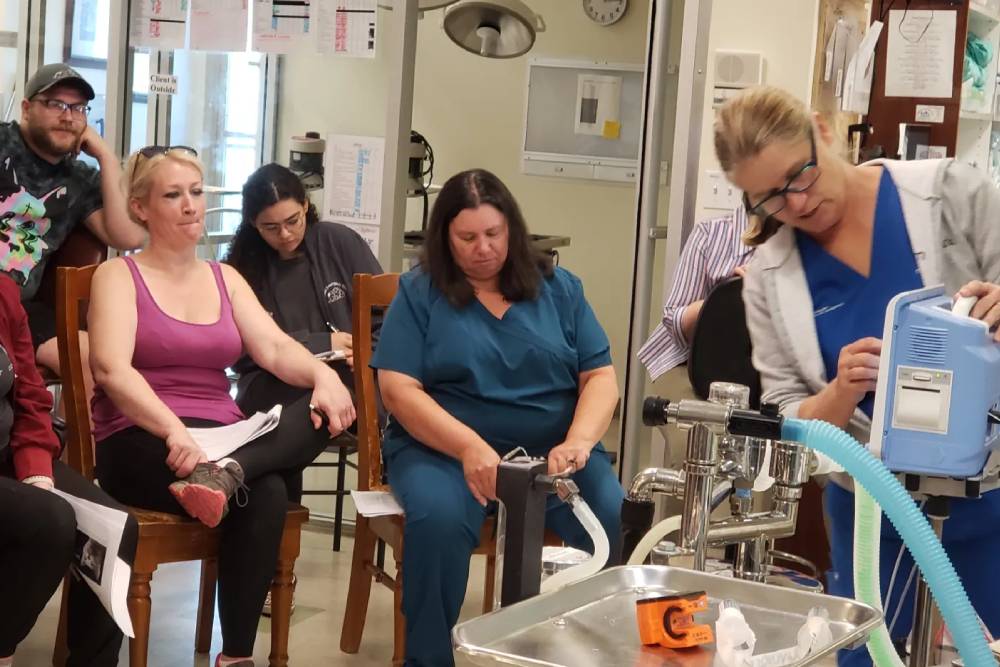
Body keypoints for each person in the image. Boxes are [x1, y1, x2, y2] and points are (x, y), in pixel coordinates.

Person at [715, 85, 1000, 666]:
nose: (795, 205)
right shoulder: (770, 277)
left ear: (822, 131)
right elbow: (786, 414)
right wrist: (839, 392)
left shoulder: (950, 194)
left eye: (801, 176)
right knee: (866, 655)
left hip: (990, 491)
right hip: (872, 506)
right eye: (768, 198)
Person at [87, 146, 356, 667]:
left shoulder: (224, 278)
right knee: (269, 490)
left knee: (323, 410)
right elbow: (111, 371)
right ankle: (238, 652)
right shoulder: (118, 277)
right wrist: (174, 432)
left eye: (196, 192)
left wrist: (324, 373)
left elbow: (276, 350)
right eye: (173, 195)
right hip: (140, 435)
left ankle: (234, 657)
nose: (190, 205)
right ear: (141, 207)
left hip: (221, 440)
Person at [372, 168, 626, 667]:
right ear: (445, 237)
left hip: (555, 457)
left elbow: (600, 378)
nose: (482, 248)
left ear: (512, 229)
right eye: (467, 237)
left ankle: (600, 653)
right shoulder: (420, 292)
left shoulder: (561, 289)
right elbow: (398, 390)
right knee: (439, 522)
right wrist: (468, 448)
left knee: (617, 520)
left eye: (494, 234)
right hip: (443, 452)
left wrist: (578, 441)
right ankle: (428, 659)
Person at [0, 272, 137, 666]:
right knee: (49, 520)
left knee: (114, 527)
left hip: (9, 456)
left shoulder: (4, 292)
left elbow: (29, 395)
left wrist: (37, 473)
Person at [225, 162, 383, 476]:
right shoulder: (240, 269)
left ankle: (238, 473)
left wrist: (369, 351)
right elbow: (240, 352)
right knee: (303, 407)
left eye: (292, 221)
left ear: (306, 207)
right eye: (270, 227)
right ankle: (256, 490)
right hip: (273, 384)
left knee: (328, 398)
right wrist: (322, 344)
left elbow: (386, 317)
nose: (284, 234)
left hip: (349, 379)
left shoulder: (337, 242)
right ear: (253, 225)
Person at [0, 63, 146, 383]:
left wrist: (106, 157)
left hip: (19, 310)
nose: (68, 117)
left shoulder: (79, 180)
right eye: (56, 104)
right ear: (26, 109)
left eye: (78, 108)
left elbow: (128, 236)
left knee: (90, 356)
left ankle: (71, 436)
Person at [638, 205, 754, 380]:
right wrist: (727, 297)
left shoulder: (801, 239)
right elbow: (673, 320)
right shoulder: (711, 234)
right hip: (715, 375)